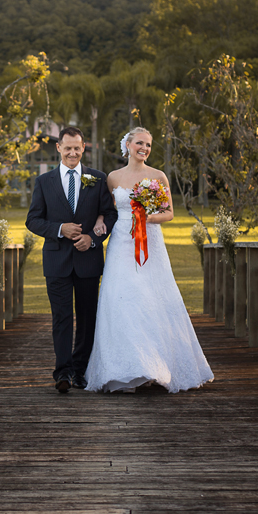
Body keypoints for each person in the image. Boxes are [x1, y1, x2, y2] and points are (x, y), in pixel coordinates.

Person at [85, 127, 213, 393]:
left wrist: (147, 218)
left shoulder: (157, 176)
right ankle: (124, 370)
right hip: (121, 245)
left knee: (151, 300)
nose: (144, 148)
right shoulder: (113, 178)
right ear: (128, 145)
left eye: (149, 145)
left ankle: (155, 367)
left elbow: (168, 213)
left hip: (150, 246)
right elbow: (107, 211)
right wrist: (99, 220)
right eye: (139, 143)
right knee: (121, 299)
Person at [26, 126, 118, 393]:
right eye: (68, 148)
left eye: (77, 148)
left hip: (88, 260)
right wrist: (59, 229)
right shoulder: (44, 182)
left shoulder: (97, 179)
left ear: (83, 147)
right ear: (58, 148)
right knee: (62, 317)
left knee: (87, 318)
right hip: (57, 261)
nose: (73, 153)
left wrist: (93, 238)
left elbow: (109, 215)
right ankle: (62, 372)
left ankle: (81, 371)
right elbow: (33, 220)